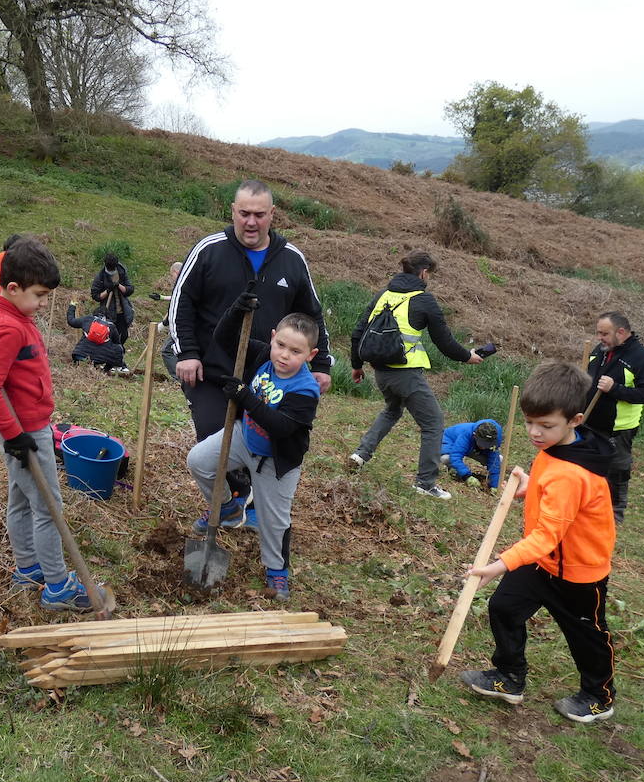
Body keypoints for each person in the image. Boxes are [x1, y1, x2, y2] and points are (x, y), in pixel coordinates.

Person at [458, 362, 618, 724]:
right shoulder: (559, 448)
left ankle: (598, 696)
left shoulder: (571, 474)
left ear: (575, 419)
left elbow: (548, 533)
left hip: (578, 573)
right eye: (530, 422)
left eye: (545, 426)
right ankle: (510, 676)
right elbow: (555, 501)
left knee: (586, 636)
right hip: (543, 561)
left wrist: (498, 566)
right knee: (504, 608)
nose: (534, 432)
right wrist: (531, 486)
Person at [169, 180, 333, 524]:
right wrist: (187, 353)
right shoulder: (209, 250)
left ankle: (256, 502)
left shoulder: (291, 259)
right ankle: (233, 499)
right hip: (212, 371)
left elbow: (312, 314)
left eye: (259, 214)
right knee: (214, 436)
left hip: (269, 374)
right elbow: (181, 303)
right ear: (233, 212)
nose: (251, 222)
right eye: (244, 213)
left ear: (272, 215)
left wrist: (321, 363)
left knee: (268, 437)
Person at [0, 239, 103, 612]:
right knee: (48, 507)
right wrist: (16, 436)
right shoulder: (10, 326)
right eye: (40, 295)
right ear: (13, 288)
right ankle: (58, 586)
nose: (45, 304)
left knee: (20, 499)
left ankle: (28, 567)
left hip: (22, 428)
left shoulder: (3, 312)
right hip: (26, 432)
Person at [186, 292, 320, 601]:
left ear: (310, 355)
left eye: (296, 351)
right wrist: (236, 310)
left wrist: (244, 396)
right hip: (244, 436)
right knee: (199, 461)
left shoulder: (306, 390)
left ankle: (276, 570)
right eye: (281, 345)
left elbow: (282, 426)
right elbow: (226, 339)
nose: (284, 355)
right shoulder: (264, 356)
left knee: (275, 521)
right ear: (272, 338)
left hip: (276, 458)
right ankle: (227, 507)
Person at [346, 250, 493, 498]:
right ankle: (425, 484)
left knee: (392, 410)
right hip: (406, 375)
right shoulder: (424, 300)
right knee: (433, 423)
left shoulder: (383, 295)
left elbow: (359, 330)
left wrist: (356, 364)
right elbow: (444, 341)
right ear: (424, 273)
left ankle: (360, 454)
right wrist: (468, 356)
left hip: (381, 372)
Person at [584, 311, 644, 523]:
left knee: (616, 471)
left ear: (622, 332)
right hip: (588, 421)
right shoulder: (600, 350)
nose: (600, 338)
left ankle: (614, 515)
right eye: (598, 333)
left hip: (618, 428)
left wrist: (614, 389)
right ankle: (585, 506)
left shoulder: (641, 357)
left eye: (604, 334)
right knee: (582, 462)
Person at [66, 300, 129, 374]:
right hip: (99, 360)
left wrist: (72, 307)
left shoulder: (88, 319)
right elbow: (118, 346)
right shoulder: (111, 326)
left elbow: (71, 321)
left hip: (79, 356)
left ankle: (81, 363)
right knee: (117, 347)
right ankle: (109, 369)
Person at [441, 418, 502, 489]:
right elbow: (455, 456)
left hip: (472, 448)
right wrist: (467, 476)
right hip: (450, 441)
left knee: (499, 460)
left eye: (487, 445)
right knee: (446, 458)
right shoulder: (466, 434)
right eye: (482, 444)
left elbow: (494, 464)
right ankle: (453, 468)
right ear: (474, 436)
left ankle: (458, 468)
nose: (484, 447)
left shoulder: (494, 440)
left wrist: (495, 485)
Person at [90, 252, 134, 343]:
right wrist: (108, 290)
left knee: (123, 335)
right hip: (108, 312)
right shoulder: (101, 276)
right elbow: (95, 295)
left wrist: (118, 285)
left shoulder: (121, 272)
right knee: (110, 337)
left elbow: (130, 289)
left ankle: (119, 352)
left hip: (122, 311)